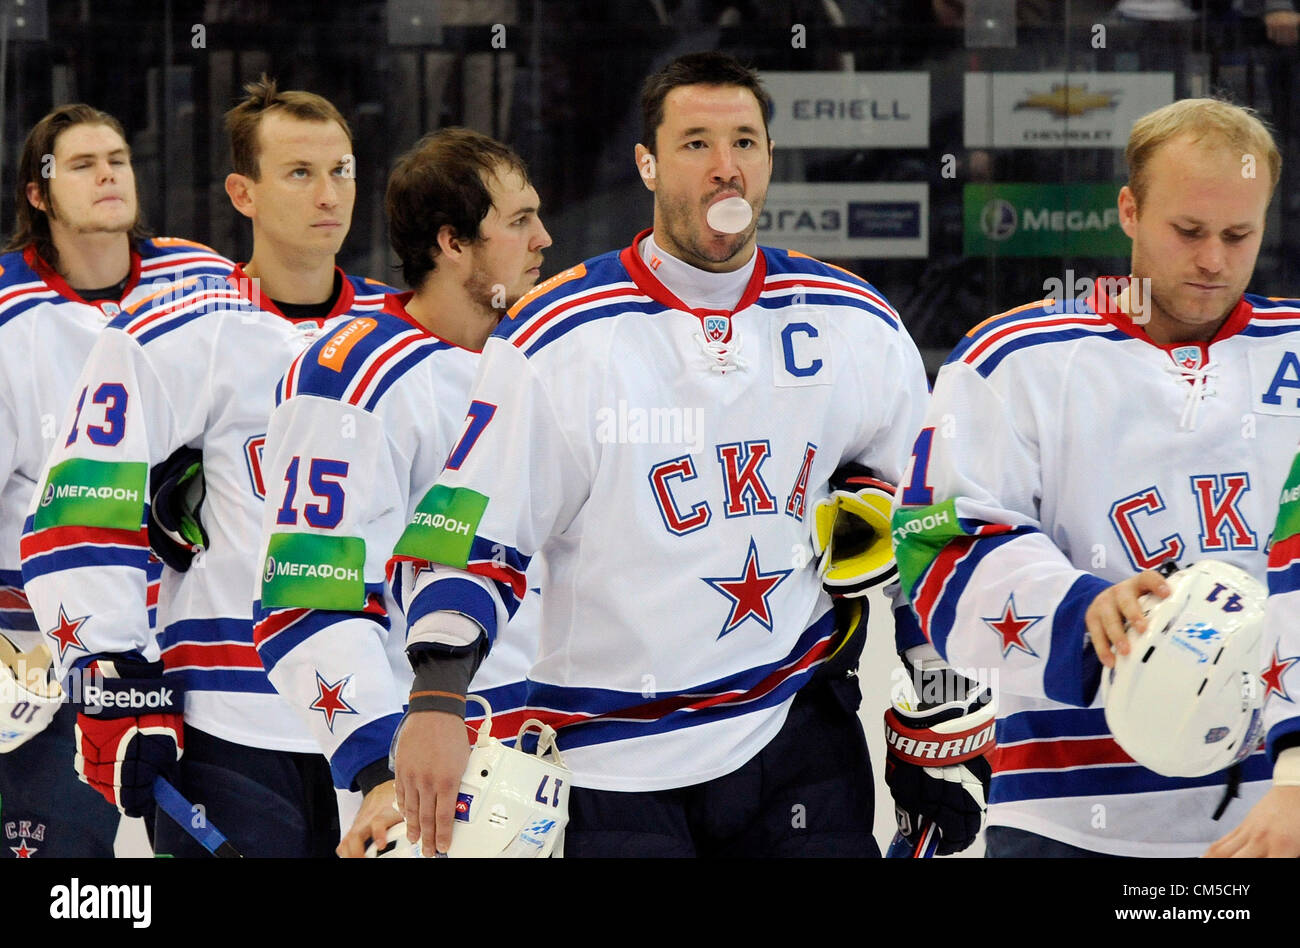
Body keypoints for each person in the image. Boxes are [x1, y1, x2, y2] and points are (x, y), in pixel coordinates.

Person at [387, 51, 929, 858]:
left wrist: (937, 714)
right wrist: (434, 702)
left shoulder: (855, 320)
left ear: (771, 158)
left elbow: (929, 522)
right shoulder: (557, 335)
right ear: (645, 163)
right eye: (695, 144)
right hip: (612, 764)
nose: (725, 169)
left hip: (798, 733)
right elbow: (469, 529)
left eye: (745, 142)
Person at [890, 97, 1300, 857]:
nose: (1214, 260)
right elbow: (934, 543)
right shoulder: (1018, 356)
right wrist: (1078, 610)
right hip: (1066, 815)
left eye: (1239, 235)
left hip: (1273, 811)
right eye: (1189, 232)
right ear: (1129, 210)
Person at [19, 77, 394, 857]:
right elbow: (82, 504)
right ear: (242, 192)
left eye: (343, 170)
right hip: (230, 728)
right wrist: (110, 666)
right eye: (299, 173)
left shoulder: (400, 338)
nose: (329, 194)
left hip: (383, 732)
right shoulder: (178, 330)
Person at [252, 127, 551, 858]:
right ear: (452, 243)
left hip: (563, 751)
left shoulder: (545, 355)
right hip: (441, 773)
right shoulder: (352, 377)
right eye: (517, 222)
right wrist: (378, 767)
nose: (544, 237)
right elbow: (307, 595)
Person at [0, 103, 232, 858]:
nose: (107, 174)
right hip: (45, 654)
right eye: (81, 164)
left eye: (119, 159)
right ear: (37, 194)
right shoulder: (8, 316)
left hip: (192, 644)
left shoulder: (202, 279)